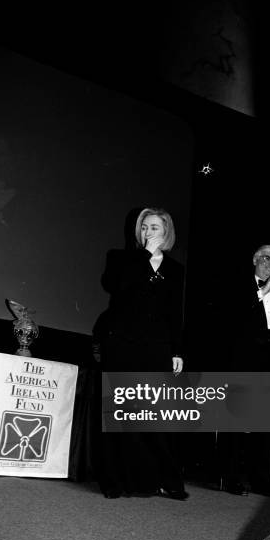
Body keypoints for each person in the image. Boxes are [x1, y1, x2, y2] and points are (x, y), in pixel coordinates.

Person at [95, 207, 188, 500]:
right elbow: (115, 287)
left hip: (157, 346)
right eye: (144, 227)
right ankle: (113, 481)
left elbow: (175, 313)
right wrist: (143, 257)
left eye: (155, 228)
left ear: (167, 232)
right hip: (121, 343)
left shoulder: (176, 270)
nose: (148, 233)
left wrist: (177, 351)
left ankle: (154, 480)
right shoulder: (121, 258)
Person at [219, 244, 270, 498]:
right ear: (254, 259)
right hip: (242, 362)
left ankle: (261, 479)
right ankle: (231, 477)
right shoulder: (236, 284)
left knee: (265, 425)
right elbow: (228, 319)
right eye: (266, 258)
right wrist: (261, 292)